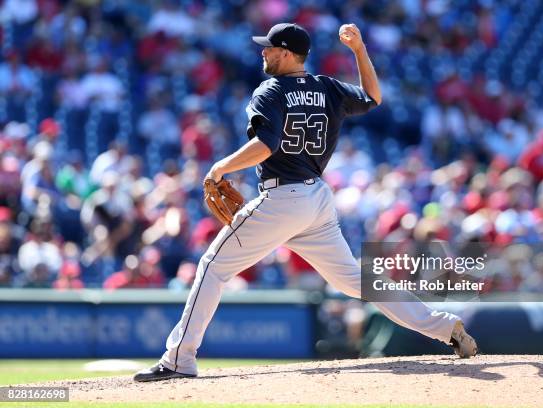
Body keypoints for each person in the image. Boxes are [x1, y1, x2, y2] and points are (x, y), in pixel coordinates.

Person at [134, 22, 477, 382]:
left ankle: (178, 360)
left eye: (269, 47)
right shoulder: (325, 87)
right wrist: (360, 51)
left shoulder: (270, 90)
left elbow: (266, 145)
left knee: (211, 267)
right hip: (316, 199)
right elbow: (373, 97)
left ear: (286, 52)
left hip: (284, 198)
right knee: (358, 281)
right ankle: (444, 326)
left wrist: (220, 167)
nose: (263, 52)